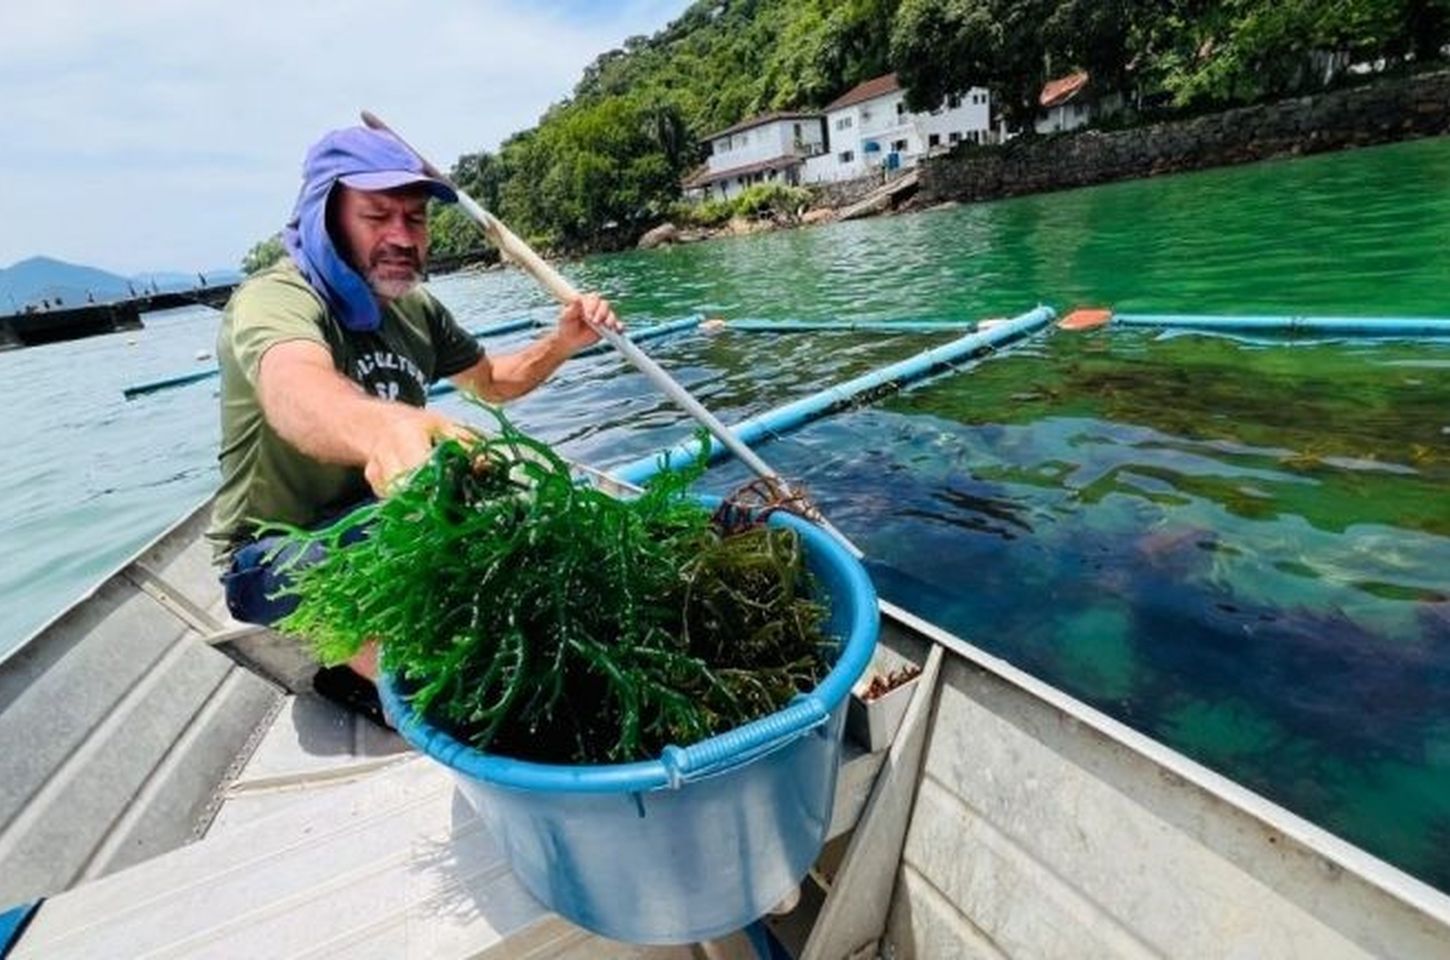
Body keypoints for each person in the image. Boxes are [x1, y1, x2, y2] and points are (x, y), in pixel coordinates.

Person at [207, 126, 620, 713]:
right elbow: (293, 388)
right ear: (326, 218)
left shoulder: (415, 308)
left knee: (523, 517)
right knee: (460, 692)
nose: (402, 237)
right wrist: (386, 428)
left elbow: (492, 383)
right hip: (272, 553)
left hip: (383, 515)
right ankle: (362, 676)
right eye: (377, 216)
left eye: (416, 219)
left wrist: (561, 343)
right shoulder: (277, 299)